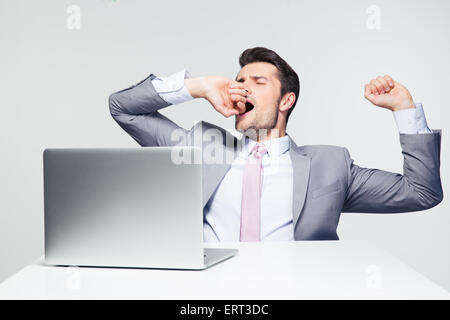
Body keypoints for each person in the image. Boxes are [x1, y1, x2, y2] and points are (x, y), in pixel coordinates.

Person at [109, 47, 443, 242]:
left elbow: (421, 192)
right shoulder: (200, 145)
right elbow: (123, 108)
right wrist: (196, 86)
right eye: (239, 82)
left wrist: (404, 109)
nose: (242, 88)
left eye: (258, 82)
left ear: (286, 100)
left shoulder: (330, 165)